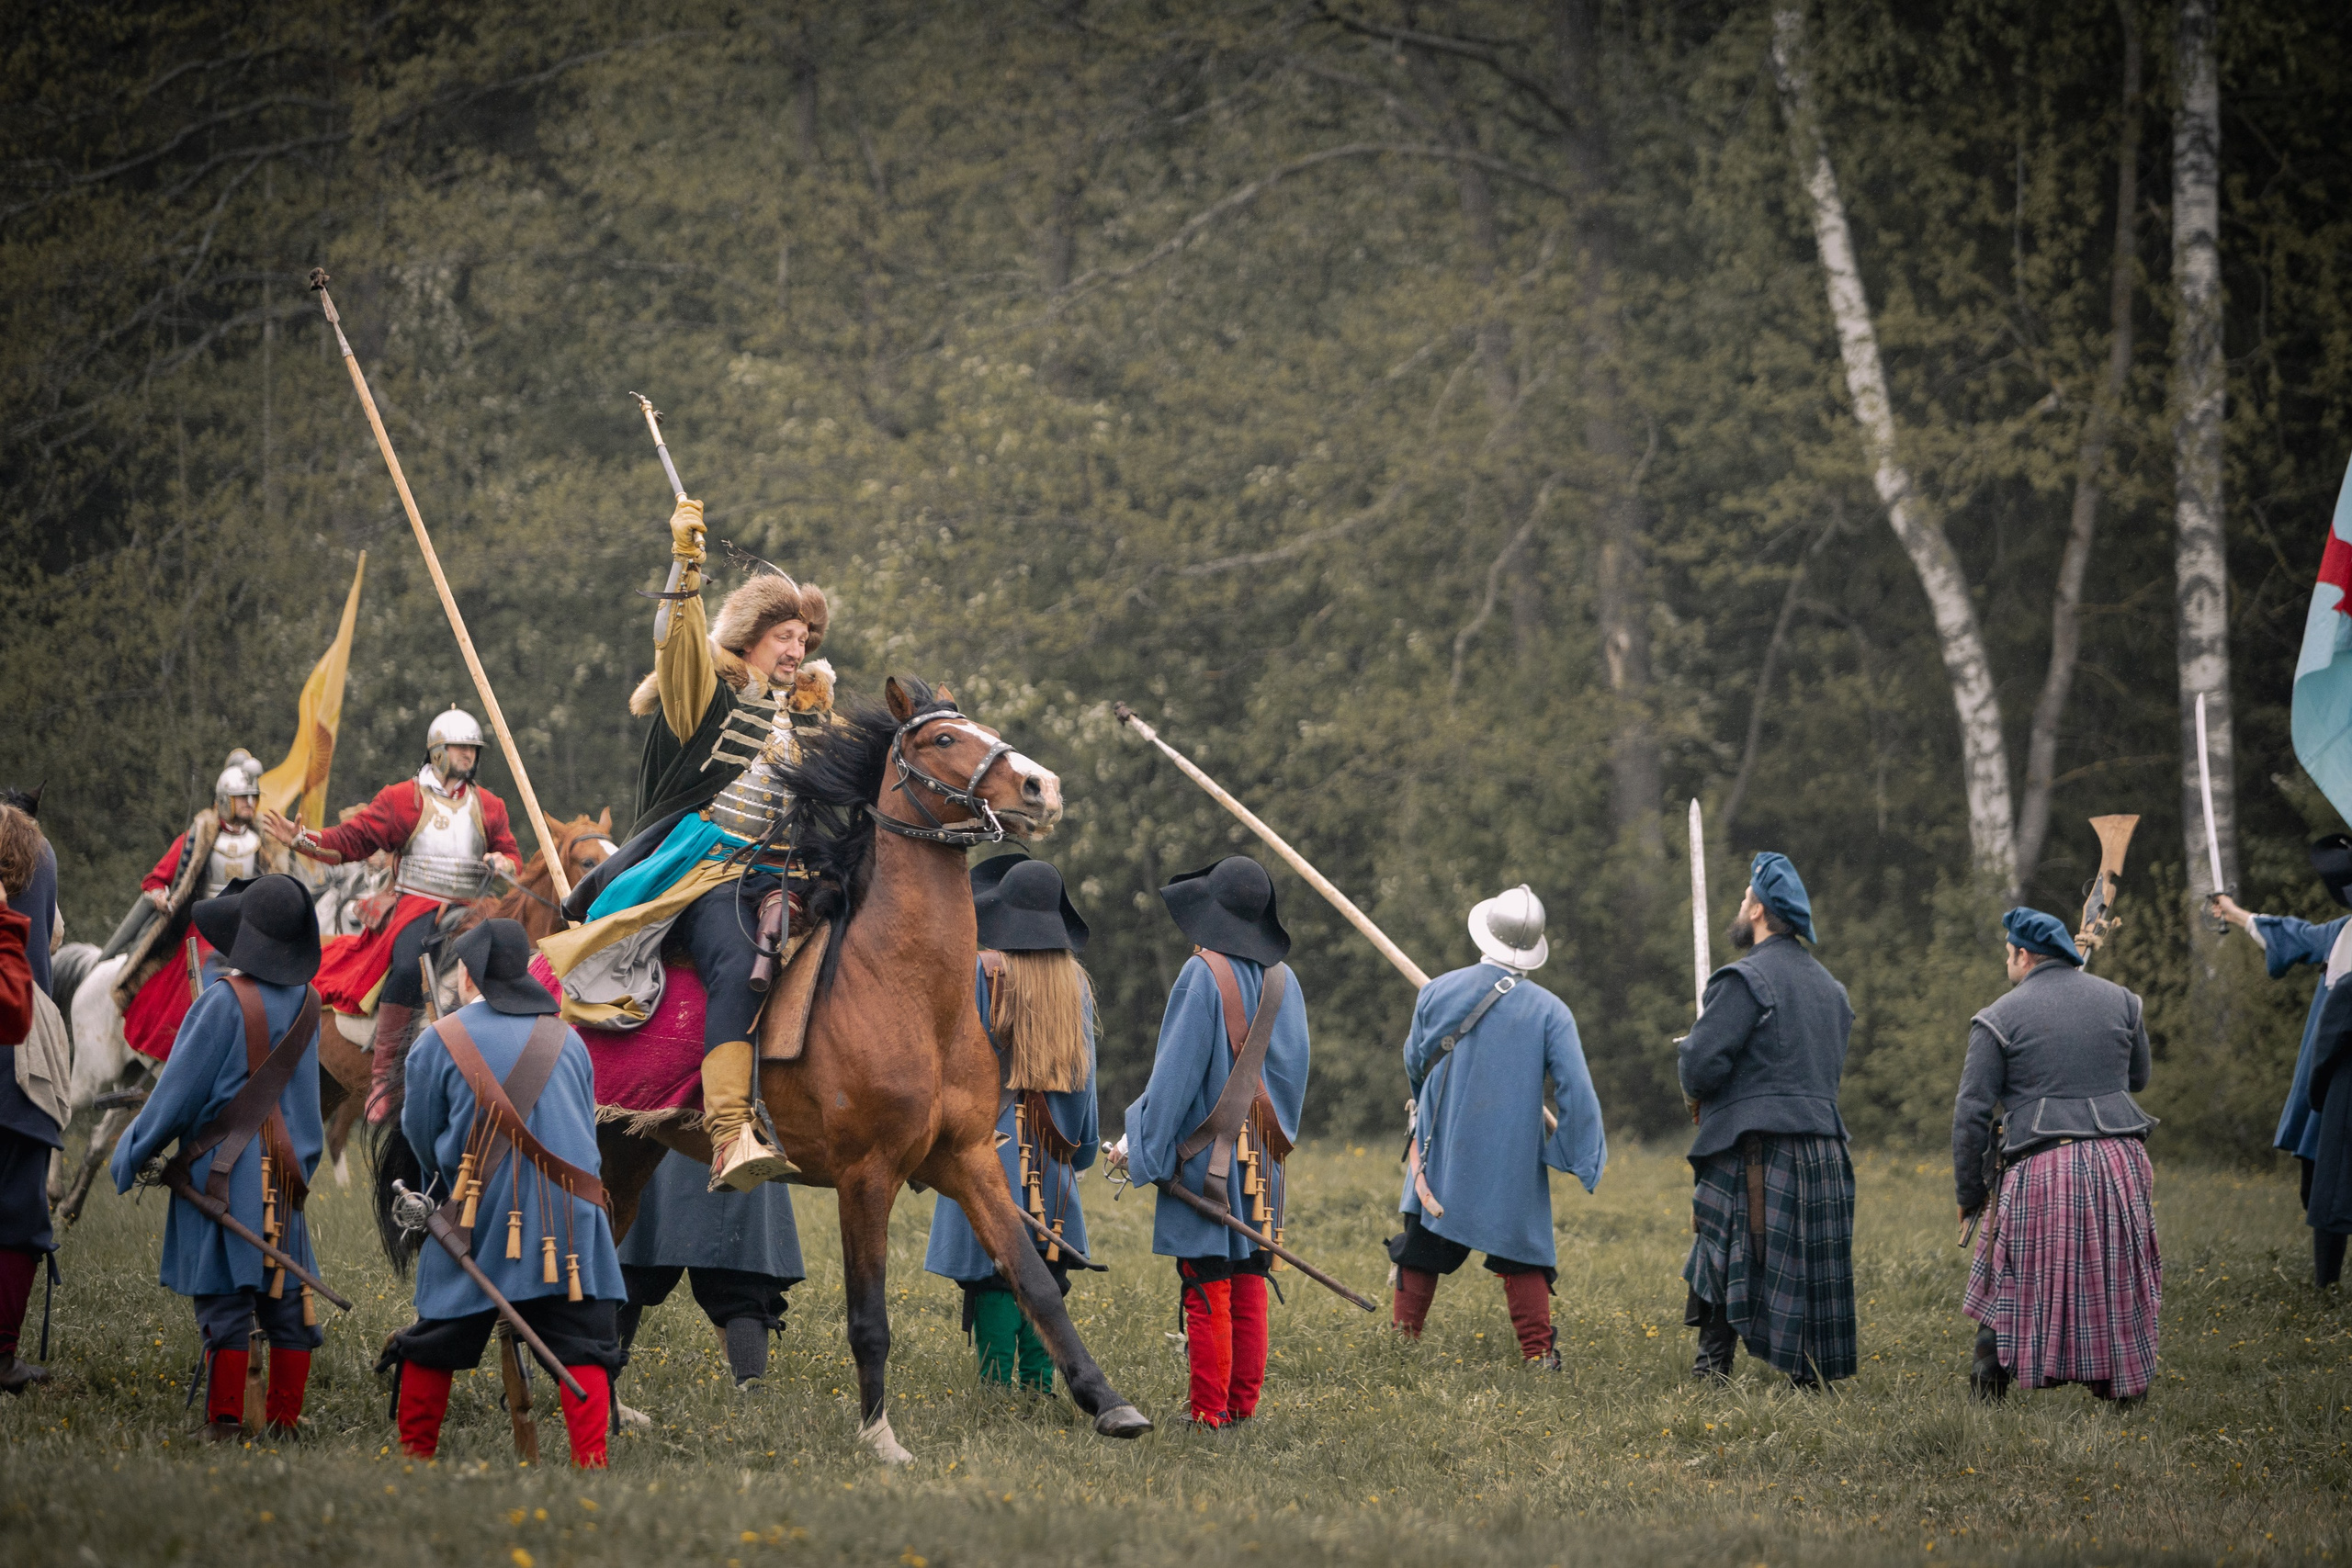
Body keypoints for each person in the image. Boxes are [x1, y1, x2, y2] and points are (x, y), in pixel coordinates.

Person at [539, 495, 832, 1192]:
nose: (796, 650)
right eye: (782, 636)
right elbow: (676, 646)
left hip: (793, 871)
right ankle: (731, 1129)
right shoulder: (708, 694)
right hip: (711, 873)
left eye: (802, 638)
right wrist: (685, 566)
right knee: (738, 961)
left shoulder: (814, 717)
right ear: (750, 636)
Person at [381, 919, 623, 1466]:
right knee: (583, 1338)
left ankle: (415, 1456)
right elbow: (582, 1129)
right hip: (570, 1218)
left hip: (476, 1214)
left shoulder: (436, 1042)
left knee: (438, 1331)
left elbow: (420, 1140)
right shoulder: (570, 1039)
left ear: (469, 974)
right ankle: (592, 1461)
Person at [108, 874, 326, 1440]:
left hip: (223, 1177)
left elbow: (174, 1099)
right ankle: (283, 1422)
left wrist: (130, 1155)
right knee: (287, 1306)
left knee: (226, 1306)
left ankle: (227, 1422)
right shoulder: (310, 1002)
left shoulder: (221, 1003)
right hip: (287, 1178)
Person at [1113, 857, 1308, 1429]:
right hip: (1265, 1166)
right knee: (1249, 1274)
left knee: (1209, 1280)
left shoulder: (1203, 973)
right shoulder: (1284, 979)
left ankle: (1210, 1414)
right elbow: (1291, 1078)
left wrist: (1142, 1146)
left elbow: (1173, 1079)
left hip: (1209, 1161)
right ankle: (1240, 1409)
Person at [262, 708, 520, 1124]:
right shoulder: (404, 799)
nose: (469, 755)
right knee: (405, 966)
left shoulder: (489, 805)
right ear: (437, 752)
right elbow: (352, 840)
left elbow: (511, 853)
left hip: (474, 907)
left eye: (473, 749)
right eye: (460, 747)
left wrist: (502, 862)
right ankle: (384, 1076)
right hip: (417, 903)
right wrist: (304, 839)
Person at [1390, 885, 1606, 1369]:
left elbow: (1415, 1063)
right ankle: (1538, 1357)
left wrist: (1426, 1107)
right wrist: (1573, 1152)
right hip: (1512, 1150)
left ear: (1485, 933)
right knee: (1522, 1249)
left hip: (1442, 1141)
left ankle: (1400, 1349)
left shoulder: (1437, 990)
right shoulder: (1552, 1011)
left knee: (1423, 1240)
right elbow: (1578, 1092)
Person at [1954, 907, 2161, 1404]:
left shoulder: (1997, 1017)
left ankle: (1990, 1383)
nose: (2008, 964)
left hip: (2042, 1168)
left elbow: (1970, 1114)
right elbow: (2139, 1078)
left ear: (2024, 955)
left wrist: (1969, 1192)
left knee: (2007, 1276)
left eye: (2009, 954)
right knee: (2116, 1277)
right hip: (2121, 1163)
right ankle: (2124, 1395)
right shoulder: (2123, 1002)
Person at [1678, 852, 1857, 1390]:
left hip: (1759, 1148)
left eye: (1743, 898)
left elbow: (1699, 1065)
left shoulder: (1744, 980)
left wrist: (1694, 1051)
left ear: (1757, 909)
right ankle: (1811, 1378)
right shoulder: (1833, 990)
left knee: (1721, 1249)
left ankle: (1713, 1374)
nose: (1739, 906)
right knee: (1810, 1267)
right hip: (1825, 1148)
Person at [923, 855, 1098, 1393]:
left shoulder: (982, 970)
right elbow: (1086, 1087)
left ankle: (999, 1389)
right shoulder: (1077, 984)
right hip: (1053, 1151)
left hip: (987, 1144)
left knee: (994, 1270)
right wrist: (1081, 1150)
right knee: (1041, 1262)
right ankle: (1040, 1382)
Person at [2213, 839, 2352, 1284]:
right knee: (2320, 1182)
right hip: (2331, 1081)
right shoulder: (2340, 933)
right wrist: (2233, 912)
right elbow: (2291, 935)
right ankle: (2325, 1284)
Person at [106, 752, 291, 1063]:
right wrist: (161, 896)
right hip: (205, 928)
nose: (249, 803)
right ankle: (199, 1059)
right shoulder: (198, 836)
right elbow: (155, 879)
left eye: (252, 797)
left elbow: (279, 887)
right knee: (209, 992)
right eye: (241, 797)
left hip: (249, 929)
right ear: (224, 800)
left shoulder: (265, 842)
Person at [613, 1145, 806, 1398]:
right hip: (720, 1136)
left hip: (721, 1140)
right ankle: (750, 1393)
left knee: (633, 1271)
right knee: (739, 1277)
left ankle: (751, 1393)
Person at [0, 818, 71, 1394]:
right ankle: (1, 1358)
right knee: (20, 1214)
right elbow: (48, 945)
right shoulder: (40, 855)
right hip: (18, 1056)